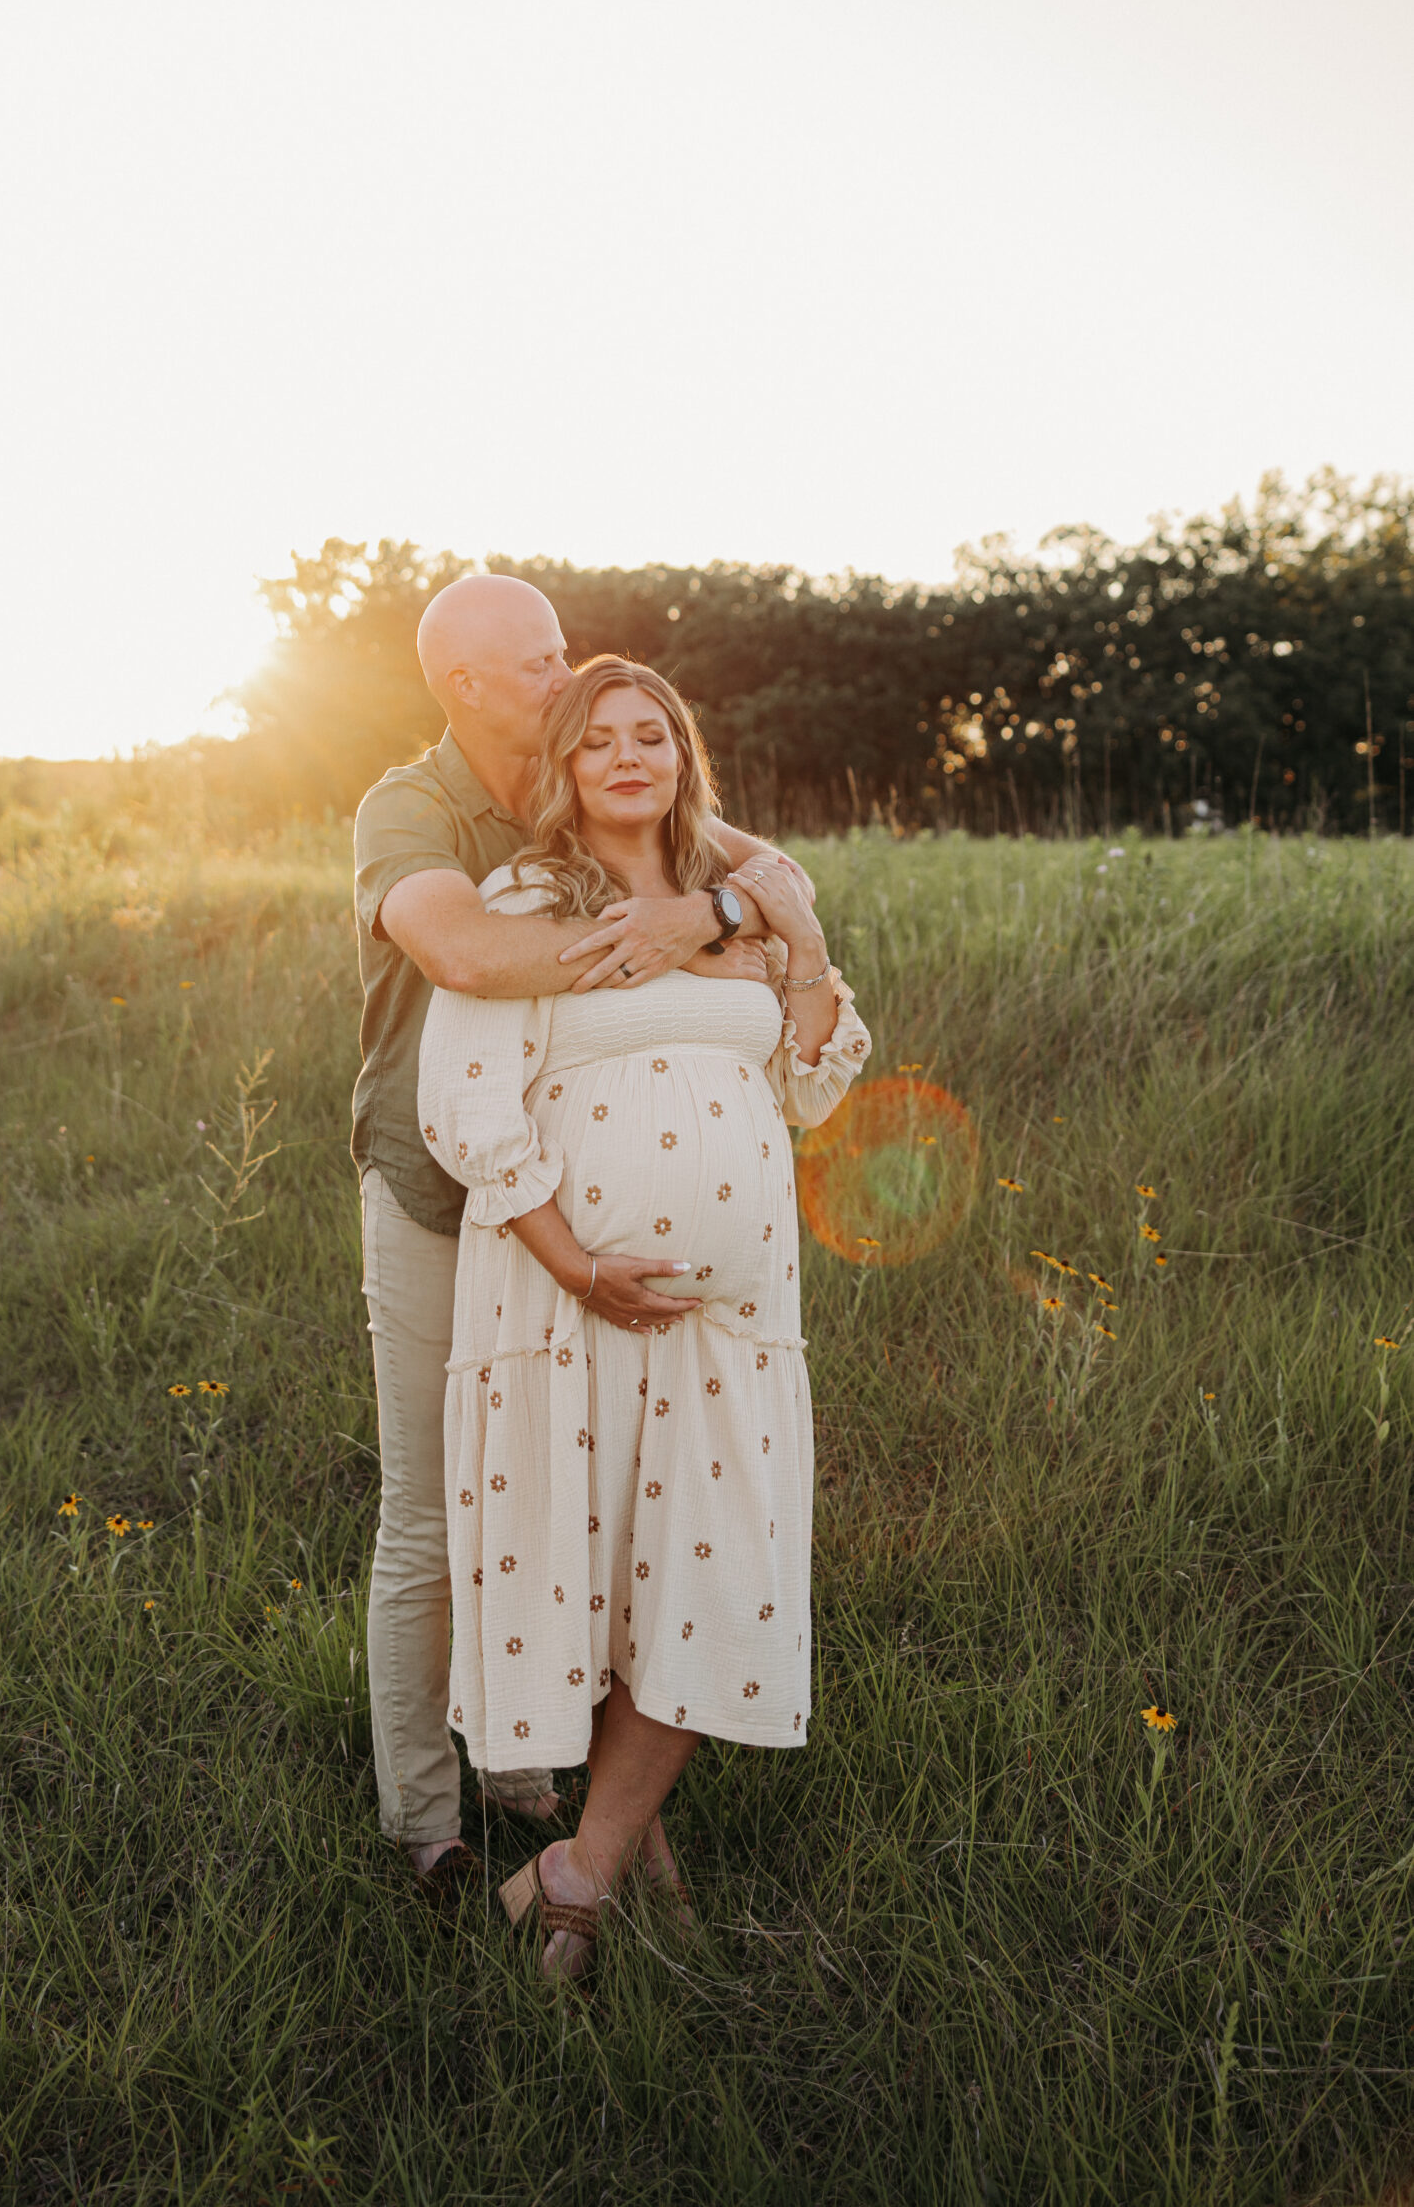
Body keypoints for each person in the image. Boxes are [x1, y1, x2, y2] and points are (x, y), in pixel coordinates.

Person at [352, 576, 812, 1894]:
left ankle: (546, 1785)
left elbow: (781, 880)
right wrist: (670, 940)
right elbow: (476, 962)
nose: (572, 679)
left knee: (587, 1507)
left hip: (594, 1237)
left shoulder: (605, 784)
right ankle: (426, 1825)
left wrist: (713, 911)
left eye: (566, 655)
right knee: (442, 1512)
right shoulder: (420, 807)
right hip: (439, 1194)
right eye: (541, 663)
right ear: (468, 686)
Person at [415, 657, 871, 1971]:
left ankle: (581, 1868)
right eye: (599, 740)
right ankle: (605, 1886)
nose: (628, 758)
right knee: (608, 1580)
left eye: (652, 736)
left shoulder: (749, 900)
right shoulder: (530, 903)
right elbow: (472, 1097)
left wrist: (803, 941)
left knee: (707, 1573)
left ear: (684, 758)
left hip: (732, 1321)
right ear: (564, 770)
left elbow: (817, 1084)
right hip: (570, 1310)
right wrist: (572, 1261)